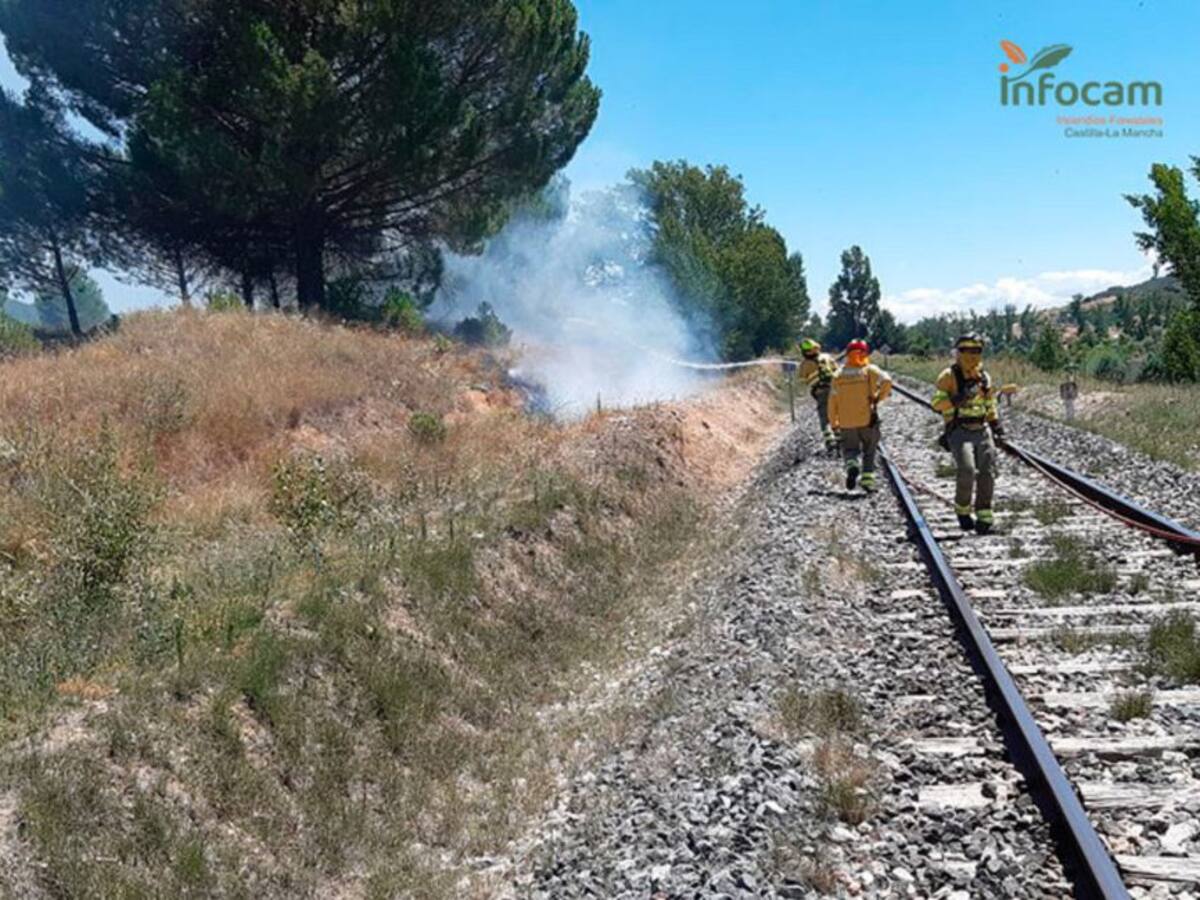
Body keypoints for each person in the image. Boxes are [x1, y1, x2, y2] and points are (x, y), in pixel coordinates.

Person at [931, 333, 1004, 534]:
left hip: (982, 430)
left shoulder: (984, 377)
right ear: (958, 352)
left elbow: (990, 403)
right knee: (967, 469)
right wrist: (956, 400)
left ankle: (984, 515)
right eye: (965, 350)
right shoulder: (948, 376)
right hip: (959, 430)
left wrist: (996, 425)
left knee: (987, 472)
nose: (971, 355)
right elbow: (936, 404)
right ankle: (962, 511)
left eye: (976, 351)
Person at [828, 339, 892, 492]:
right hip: (867, 420)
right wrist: (878, 397)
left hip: (846, 422)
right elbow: (887, 380)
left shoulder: (838, 375)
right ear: (864, 353)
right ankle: (867, 481)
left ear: (848, 354)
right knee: (869, 451)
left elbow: (832, 402)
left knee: (850, 450)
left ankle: (852, 465)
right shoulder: (869, 370)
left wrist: (834, 423)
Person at [797, 338, 840, 453]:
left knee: (824, 417)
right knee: (837, 413)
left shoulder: (805, 364)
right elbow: (838, 371)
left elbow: (802, 382)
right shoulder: (827, 357)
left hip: (821, 392)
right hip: (835, 390)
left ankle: (830, 441)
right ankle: (840, 436)